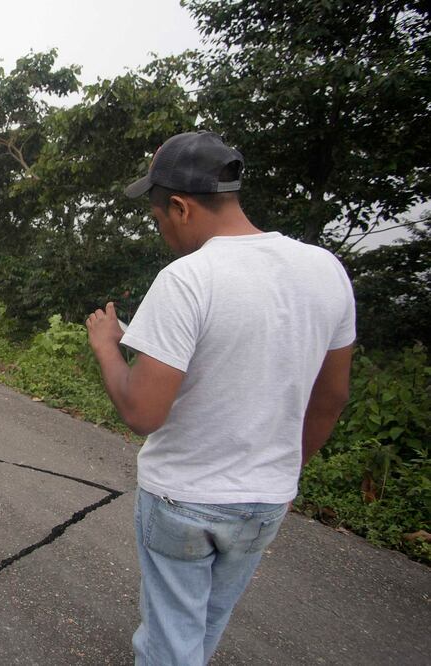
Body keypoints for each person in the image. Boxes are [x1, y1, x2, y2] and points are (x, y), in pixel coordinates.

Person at [85, 131, 355, 665]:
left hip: (184, 497)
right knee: (205, 625)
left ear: (181, 207)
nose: (160, 229)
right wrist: (281, 470)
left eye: (159, 217)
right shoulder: (326, 270)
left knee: (170, 641)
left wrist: (106, 346)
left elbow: (142, 410)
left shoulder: (189, 278)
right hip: (266, 498)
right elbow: (332, 397)